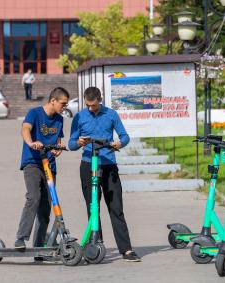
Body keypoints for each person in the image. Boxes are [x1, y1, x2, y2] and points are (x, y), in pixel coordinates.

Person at [68, 86, 141, 262]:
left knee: (116, 208)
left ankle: (126, 250)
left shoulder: (111, 114)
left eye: (94, 105)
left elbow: (125, 136)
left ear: (100, 100)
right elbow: (71, 144)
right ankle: (96, 245)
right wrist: (78, 142)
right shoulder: (79, 117)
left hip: (108, 166)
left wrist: (119, 144)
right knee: (93, 208)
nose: (91, 109)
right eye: (88, 105)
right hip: (88, 166)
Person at [14, 87, 69, 256]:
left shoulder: (60, 119)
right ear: (53, 100)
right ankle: (21, 238)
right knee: (34, 197)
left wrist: (58, 149)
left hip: (49, 165)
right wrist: (31, 142)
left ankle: (38, 248)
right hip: (32, 162)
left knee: (46, 208)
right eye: (63, 103)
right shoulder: (35, 113)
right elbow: (25, 129)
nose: (64, 107)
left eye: (66, 104)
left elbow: (58, 141)